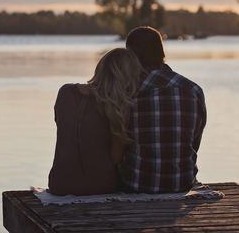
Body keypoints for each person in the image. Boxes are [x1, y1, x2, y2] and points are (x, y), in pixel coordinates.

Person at [119, 26, 207, 193]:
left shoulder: (126, 92)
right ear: (161, 53)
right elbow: (194, 141)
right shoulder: (193, 90)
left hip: (136, 185)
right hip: (182, 184)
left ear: (130, 54)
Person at [48, 48, 142, 195]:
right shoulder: (117, 105)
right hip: (99, 187)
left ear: (100, 68)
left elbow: (64, 128)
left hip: (59, 184)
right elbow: (115, 158)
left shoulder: (65, 92)